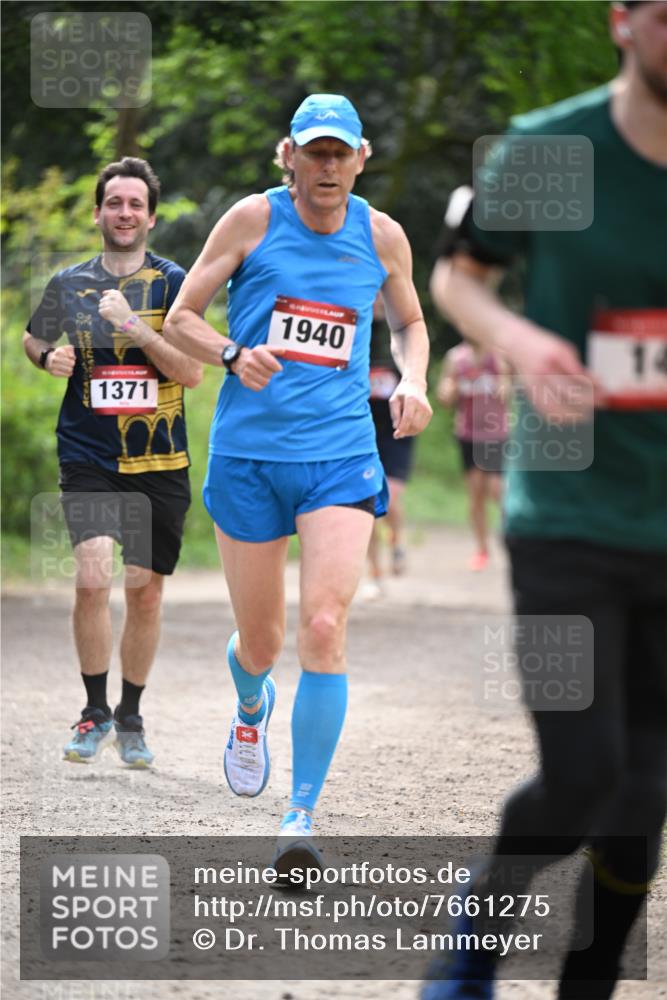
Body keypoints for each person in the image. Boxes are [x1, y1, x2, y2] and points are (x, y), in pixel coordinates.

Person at [424, 1, 666, 997]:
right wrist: (519, 343)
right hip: (566, 513)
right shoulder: (550, 150)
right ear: (623, 21)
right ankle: (474, 941)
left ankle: (589, 980)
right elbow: (459, 278)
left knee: (643, 792)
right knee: (582, 772)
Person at [164, 94, 432, 868]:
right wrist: (228, 355)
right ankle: (251, 702)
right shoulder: (250, 220)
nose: (325, 166)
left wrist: (413, 379)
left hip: (340, 454)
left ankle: (300, 816)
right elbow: (182, 315)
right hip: (250, 456)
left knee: (322, 627)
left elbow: (410, 320)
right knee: (261, 641)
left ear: (360, 159)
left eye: (337, 153)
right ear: (288, 155)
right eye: (312, 152)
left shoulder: (381, 235)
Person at [24, 157, 202, 768]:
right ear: (99, 211)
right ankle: (93, 711)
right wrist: (46, 357)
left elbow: (193, 372)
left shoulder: (177, 283)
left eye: (135, 204)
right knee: (94, 574)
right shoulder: (68, 283)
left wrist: (135, 328)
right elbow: (34, 337)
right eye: (114, 203)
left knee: (145, 593)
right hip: (88, 451)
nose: (124, 213)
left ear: (150, 217)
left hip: (161, 457)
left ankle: (131, 716)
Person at [437, 338, 509, 571]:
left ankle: (512, 540)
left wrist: (497, 382)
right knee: (476, 494)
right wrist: (454, 388)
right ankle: (481, 549)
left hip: (496, 433)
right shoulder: (456, 358)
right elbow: (444, 397)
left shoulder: (498, 355)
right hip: (468, 434)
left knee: (498, 491)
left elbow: (508, 392)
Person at [364, 296, 417, 595]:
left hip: (397, 428)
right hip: (363, 428)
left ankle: (396, 542)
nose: (376, 302)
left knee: (391, 498)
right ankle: (374, 574)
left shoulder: (404, 330)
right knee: (367, 502)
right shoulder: (353, 328)